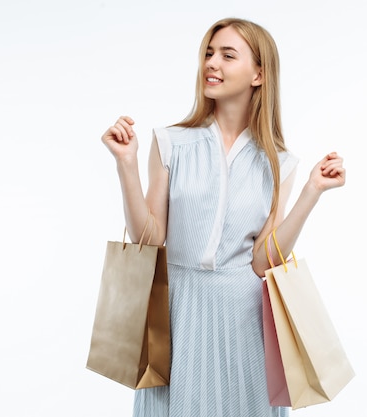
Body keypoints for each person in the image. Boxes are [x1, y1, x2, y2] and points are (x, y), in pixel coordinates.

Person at [101, 17, 345, 417]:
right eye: (209, 54)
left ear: (259, 74)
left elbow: (263, 262)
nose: (212, 63)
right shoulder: (171, 142)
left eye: (228, 55)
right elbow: (150, 239)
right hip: (179, 312)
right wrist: (125, 166)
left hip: (244, 320)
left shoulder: (279, 162)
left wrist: (310, 193)